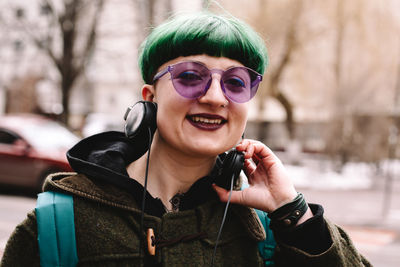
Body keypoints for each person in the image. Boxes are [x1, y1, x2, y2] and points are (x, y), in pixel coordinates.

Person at [1, 12, 371, 267]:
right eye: (191, 77)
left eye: (236, 82)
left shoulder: (271, 229)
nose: (214, 96)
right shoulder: (57, 225)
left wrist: (294, 214)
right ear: (150, 97)